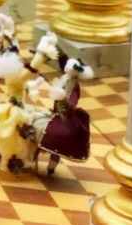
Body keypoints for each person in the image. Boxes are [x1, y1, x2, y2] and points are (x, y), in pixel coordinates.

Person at [0, 50, 48, 175]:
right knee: (13, 133)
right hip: (17, 111)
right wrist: (42, 54)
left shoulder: (12, 76)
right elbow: (30, 70)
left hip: (19, 106)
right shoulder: (15, 76)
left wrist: (35, 83)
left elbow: (23, 86)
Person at [30, 40, 94, 175]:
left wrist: (63, 98)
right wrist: (55, 44)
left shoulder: (74, 86)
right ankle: (31, 158)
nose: (65, 68)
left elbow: (72, 102)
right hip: (54, 113)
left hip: (64, 118)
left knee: (56, 140)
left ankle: (51, 168)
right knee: (33, 121)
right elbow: (63, 59)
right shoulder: (65, 77)